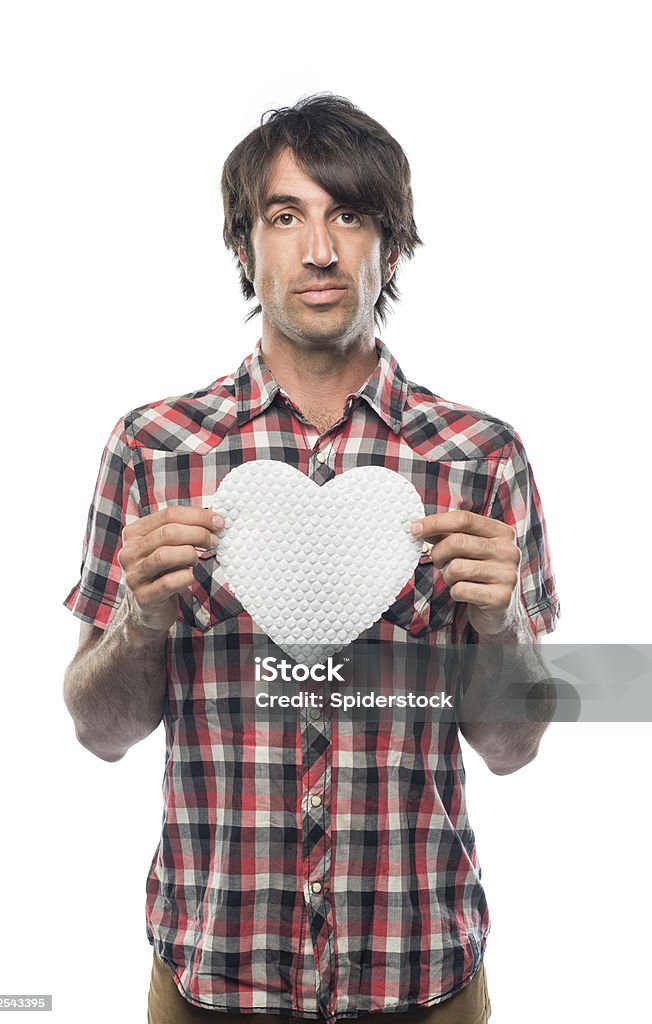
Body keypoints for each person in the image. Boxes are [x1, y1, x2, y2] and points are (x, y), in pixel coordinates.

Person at [62, 94, 560, 1024]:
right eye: (286, 217)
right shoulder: (152, 448)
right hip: (210, 980)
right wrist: (143, 617)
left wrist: (504, 625)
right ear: (244, 249)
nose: (320, 249)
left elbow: (513, 746)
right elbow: (99, 731)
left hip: (424, 978)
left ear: (394, 248)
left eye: (350, 215)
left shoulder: (481, 457)